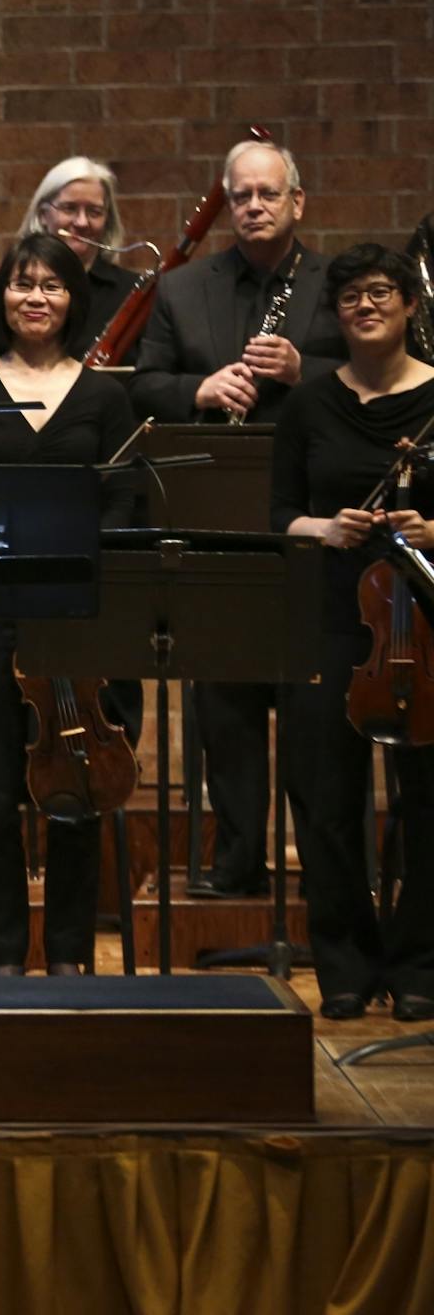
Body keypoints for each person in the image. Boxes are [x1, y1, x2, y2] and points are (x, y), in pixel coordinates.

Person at [132, 139, 348, 898]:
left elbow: (383, 374)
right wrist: (201, 388)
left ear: (298, 202)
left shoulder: (337, 282)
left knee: (313, 711)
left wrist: (305, 371)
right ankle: (236, 863)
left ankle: (322, 873)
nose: (254, 206)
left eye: (269, 193)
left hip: (314, 526)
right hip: (217, 519)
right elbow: (143, 383)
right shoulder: (184, 289)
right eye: (242, 195)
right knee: (224, 706)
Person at [0, 233, 140, 974]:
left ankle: (70, 958)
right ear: (3, 298)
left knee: (77, 787)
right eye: (22, 284)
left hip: (82, 617)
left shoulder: (105, 396)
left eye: (52, 285)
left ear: (74, 300)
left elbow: (124, 502)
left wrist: (73, 553)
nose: (36, 297)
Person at [272, 243, 434, 1020]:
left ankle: (420, 962)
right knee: (328, 798)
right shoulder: (309, 403)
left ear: (408, 304)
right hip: (333, 617)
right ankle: (344, 961)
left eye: (380, 293)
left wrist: (432, 530)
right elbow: (279, 515)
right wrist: (323, 526)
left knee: (426, 800)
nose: (365, 306)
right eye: (350, 298)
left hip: (426, 622)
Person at [19, 156, 140, 346]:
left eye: (94, 212)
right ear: (43, 215)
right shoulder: (14, 288)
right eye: (69, 208)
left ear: (107, 220)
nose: (82, 222)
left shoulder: (133, 292)